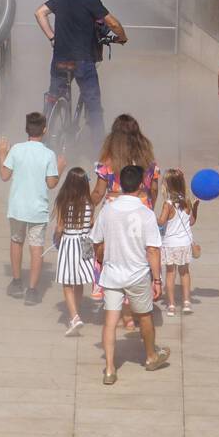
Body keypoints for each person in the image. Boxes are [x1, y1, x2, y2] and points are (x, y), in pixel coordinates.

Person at [89, 164, 170, 384]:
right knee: (145, 316)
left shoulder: (108, 210)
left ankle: (109, 369)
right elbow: (153, 249)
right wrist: (157, 279)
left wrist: (101, 255)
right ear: (141, 184)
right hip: (137, 274)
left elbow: (96, 240)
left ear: (121, 184)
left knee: (110, 321)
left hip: (112, 274)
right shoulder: (145, 213)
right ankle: (152, 356)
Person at [35, 0, 126, 148]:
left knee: (53, 98)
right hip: (83, 61)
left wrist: (52, 38)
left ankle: (39, 142)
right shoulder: (91, 0)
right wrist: (122, 37)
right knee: (94, 109)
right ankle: (99, 154)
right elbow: (114, 24)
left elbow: (39, 13)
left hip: (59, 60)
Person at [0, 113, 61, 305]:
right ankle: (32, 290)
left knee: (16, 241)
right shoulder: (49, 154)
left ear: (26, 130)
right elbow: (51, 183)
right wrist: (61, 168)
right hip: (37, 209)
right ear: (44, 131)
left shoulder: (16, 149)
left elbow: (4, 175)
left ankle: (17, 282)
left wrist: (1, 153)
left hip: (17, 207)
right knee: (36, 247)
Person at [52, 165, 95, 336]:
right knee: (79, 281)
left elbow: (60, 227)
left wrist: (56, 236)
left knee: (67, 282)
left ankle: (74, 316)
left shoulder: (63, 202)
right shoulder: (89, 203)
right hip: (85, 242)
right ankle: (76, 312)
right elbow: (91, 223)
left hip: (69, 243)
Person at [92, 115, 160, 210]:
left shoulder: (107, 163)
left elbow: (99, 193)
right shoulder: (149, 162)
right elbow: (154, 190)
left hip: (114, 209)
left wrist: (87, 209)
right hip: (141, 207)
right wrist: (150, 207)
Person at [156, 168, 199, 316]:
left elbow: (161, 222)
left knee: (170, 274)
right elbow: (192, 222)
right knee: (185, 272)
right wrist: (196, 208)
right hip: (185, 243)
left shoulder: (168, 204)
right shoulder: (186, 201)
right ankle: (187, 302)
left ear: (166, 186)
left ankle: (172, 305)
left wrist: (151, 217)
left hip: (170, 244)